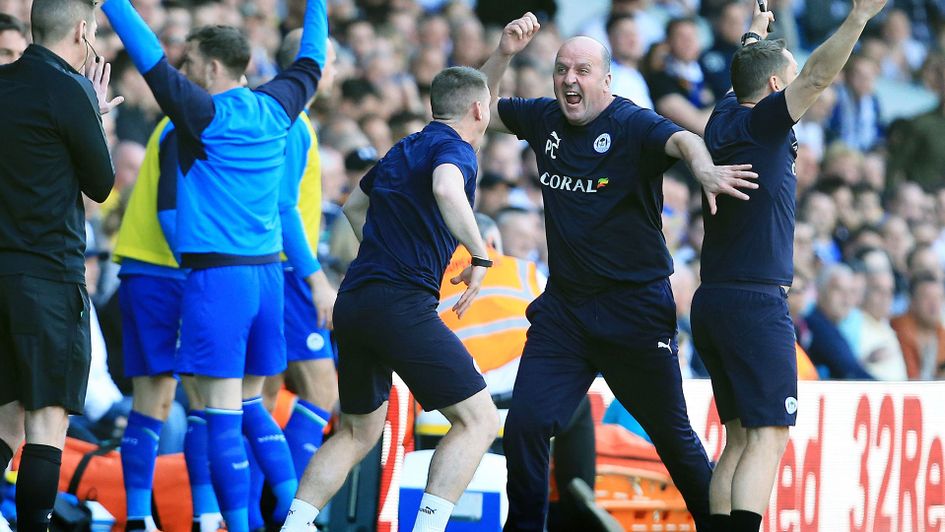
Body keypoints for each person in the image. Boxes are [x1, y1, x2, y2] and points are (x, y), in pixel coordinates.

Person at [481, 12, 761, 532]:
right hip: (565, 312)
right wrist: (503, 54)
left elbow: (681, 141)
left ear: (606, 80)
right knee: (524, 424)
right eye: (563, 69)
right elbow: (480, 111)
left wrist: (701, 168)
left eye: (582, 70)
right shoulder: (544, 119)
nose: (569, 79)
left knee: (673, 440)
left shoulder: (632, 122)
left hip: (634, 311)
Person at [101, 0, 327, 528]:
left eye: (191, 61)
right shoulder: (281, 105)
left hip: (217, 278)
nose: (184, 68)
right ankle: (298, 520)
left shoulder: (199, 115)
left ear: (210, 67)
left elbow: (148, 55)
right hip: (270, 278)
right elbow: (312, 57)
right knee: (253, 406)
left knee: (221, 412)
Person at [692, 0, 887, 528]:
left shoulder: (722, 115)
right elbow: (822, 75)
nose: (802, 86)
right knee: (769, 435)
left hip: (714, 300)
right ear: (777, 85)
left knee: (738, 437)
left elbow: (745, 69)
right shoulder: (764, 124)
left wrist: (753, 34)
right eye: (791, 79)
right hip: (756, 303)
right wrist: (858, 19)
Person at [282, 65, 501, 532]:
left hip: (357, 299)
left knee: (358, 430)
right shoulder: (454, 150)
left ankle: (294, 526)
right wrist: (480, 256)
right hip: (399, 303)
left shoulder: (404, 148)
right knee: (479, 420)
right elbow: (446, 186)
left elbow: (352, 206)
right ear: (480, 110)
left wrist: (385, 252)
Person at [0, 0, 122, 527]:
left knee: (5, 423)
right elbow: (101, 184)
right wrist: (94, 117)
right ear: (82, 30)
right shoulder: (68, 89)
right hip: (47, 276)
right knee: (47, 423)